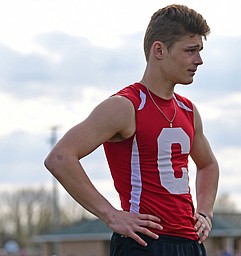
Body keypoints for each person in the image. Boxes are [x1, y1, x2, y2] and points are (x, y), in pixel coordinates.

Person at [44, 4, 219, 256]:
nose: (199, 60)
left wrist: (204, 212)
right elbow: (60, 158)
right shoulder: (125, 106)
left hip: (190, 244)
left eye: (199, 51)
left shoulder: (188, 110)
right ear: (159, 50)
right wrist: (112, 215)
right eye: (190, 51)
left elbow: (208, 165)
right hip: (145, 243)